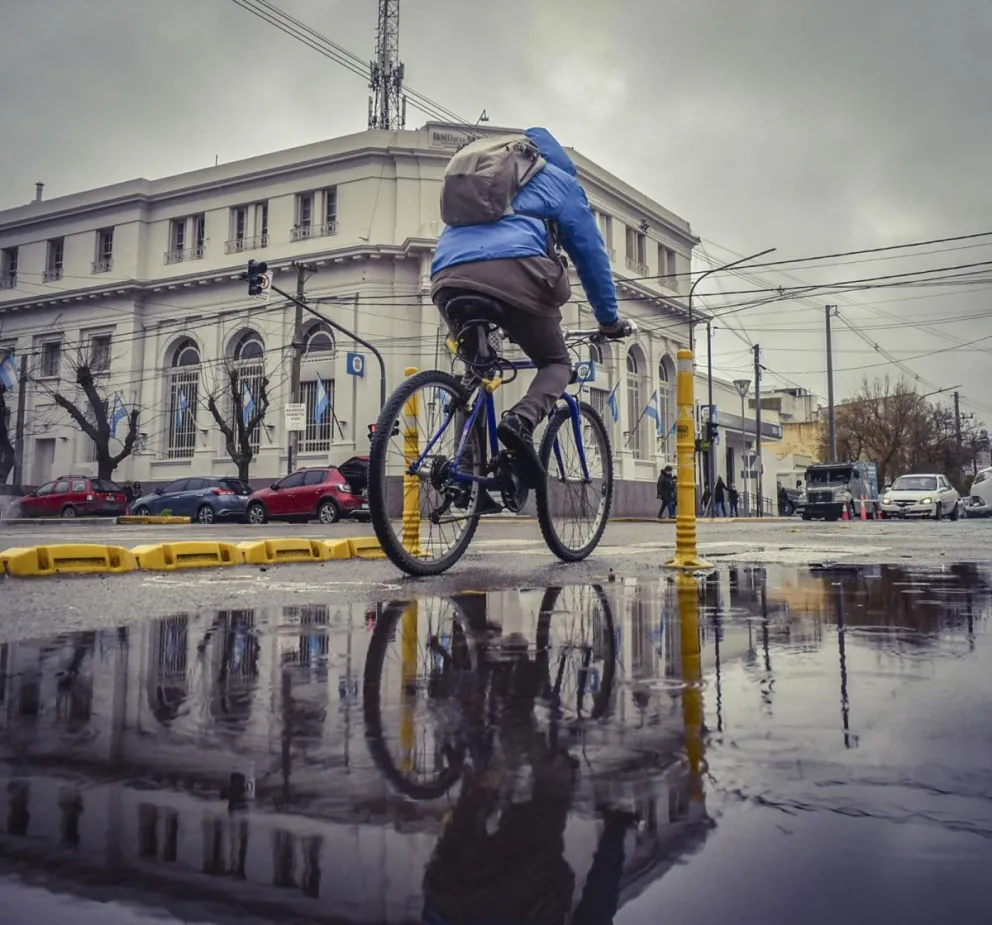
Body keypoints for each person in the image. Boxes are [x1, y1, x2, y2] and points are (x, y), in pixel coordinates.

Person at [431, 128, 632, 489]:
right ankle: (521, 421)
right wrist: (609, 320)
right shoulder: (560, 182)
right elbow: (590, 256)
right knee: (556, 363)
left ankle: (463, 478)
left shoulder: (480, 178)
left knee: (474, 372)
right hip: (516, 275)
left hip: (447, 276)